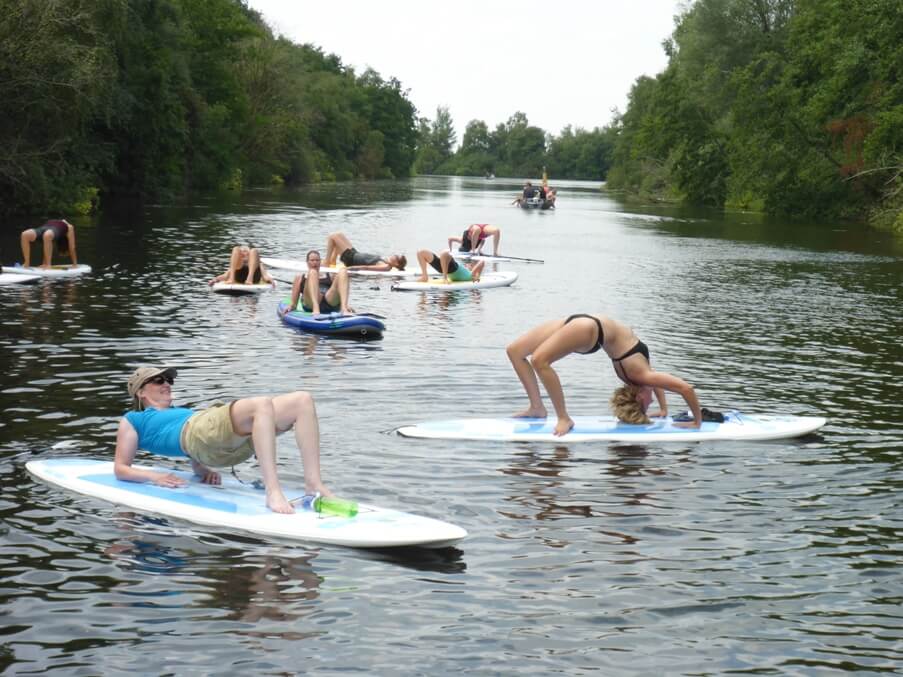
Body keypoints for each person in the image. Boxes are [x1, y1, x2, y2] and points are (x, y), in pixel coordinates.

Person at [114, 366, 331, 514]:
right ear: (141, 392)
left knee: (302, 400)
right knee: (260, 404)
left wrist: (203, 471)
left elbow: (193, 447)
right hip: (201, 434)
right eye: (159, 380)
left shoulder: (181, 412)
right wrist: (156, 477)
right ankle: (273, 491)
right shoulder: (134, 419)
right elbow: (120, 468)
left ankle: (314, 484)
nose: (167, 384)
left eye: (169, 380)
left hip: (221, 448)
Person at [506, 314, 702, 436]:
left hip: (589, 330)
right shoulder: (642, 376)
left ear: (639, 396)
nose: (650, 403)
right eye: (650, 404)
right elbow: (686, 388)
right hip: (580, 321)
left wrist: (663, 408)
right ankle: (537, 407)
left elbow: (656, 381)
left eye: (647, 405)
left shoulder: (640, 376)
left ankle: (564, 418)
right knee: (514, 351)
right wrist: (696, 421)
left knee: (539, 361)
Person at [282, 250, 352, 315]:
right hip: (310, 304)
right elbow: (294, 304)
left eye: (317, 260)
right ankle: (316, 308)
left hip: (329, 301)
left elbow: (339, 291)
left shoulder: (330, 276)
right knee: (312, 272)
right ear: (307, 262)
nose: (315, 262)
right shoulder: (299, 278)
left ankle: (344, 308)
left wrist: (347, 305)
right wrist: (291, 306)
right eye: (312, 260)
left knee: (343, 271)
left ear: (320, 262)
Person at [323, 232, 406, 272]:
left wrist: (348, 268)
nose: (395, 255)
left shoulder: (385, 267)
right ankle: (332, 261)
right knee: (339, 234)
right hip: (355, 253)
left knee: (332, 237)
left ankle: (327, 263)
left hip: (351, 259)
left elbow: (366, 267)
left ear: (397, 264)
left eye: (397, 257)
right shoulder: (386, 262)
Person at [208, 245, 274, 286]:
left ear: (250, 255)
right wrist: (215, 280)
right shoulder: (235, 265)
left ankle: (249, 279)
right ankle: (232, 279)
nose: (244, 253)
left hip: (253, 278)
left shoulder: (259, 264)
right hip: (239, 276)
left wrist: (271, 281)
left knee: (254, 250)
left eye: (247, 252)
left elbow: (265, 276)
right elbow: (225, 276)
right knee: (236, 248)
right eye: (242, 252)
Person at [415, 249, 485, 283]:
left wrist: (476, 274)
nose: (470, 264)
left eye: (472, 265)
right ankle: (424, 276)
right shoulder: (468, 272)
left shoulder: (471, 276)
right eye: (470, 264)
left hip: (452, 269)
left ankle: (444, 278)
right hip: (444, 267)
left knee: (445, 253)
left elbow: (482, 261)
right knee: (420, 252)